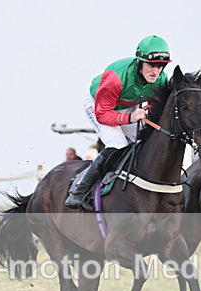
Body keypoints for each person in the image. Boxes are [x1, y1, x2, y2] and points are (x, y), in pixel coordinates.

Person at [65, 35, 172, 209]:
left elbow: (156, 105)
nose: (155, 71)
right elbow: (103, 115)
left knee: (143, 142)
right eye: (151, 65)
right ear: (140, 62)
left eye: (160, 66)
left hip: (127, 105)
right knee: (117, 143)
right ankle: (79, 190)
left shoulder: (161, 79)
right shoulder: (116, 78)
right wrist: (129, 118)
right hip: (100, 105)